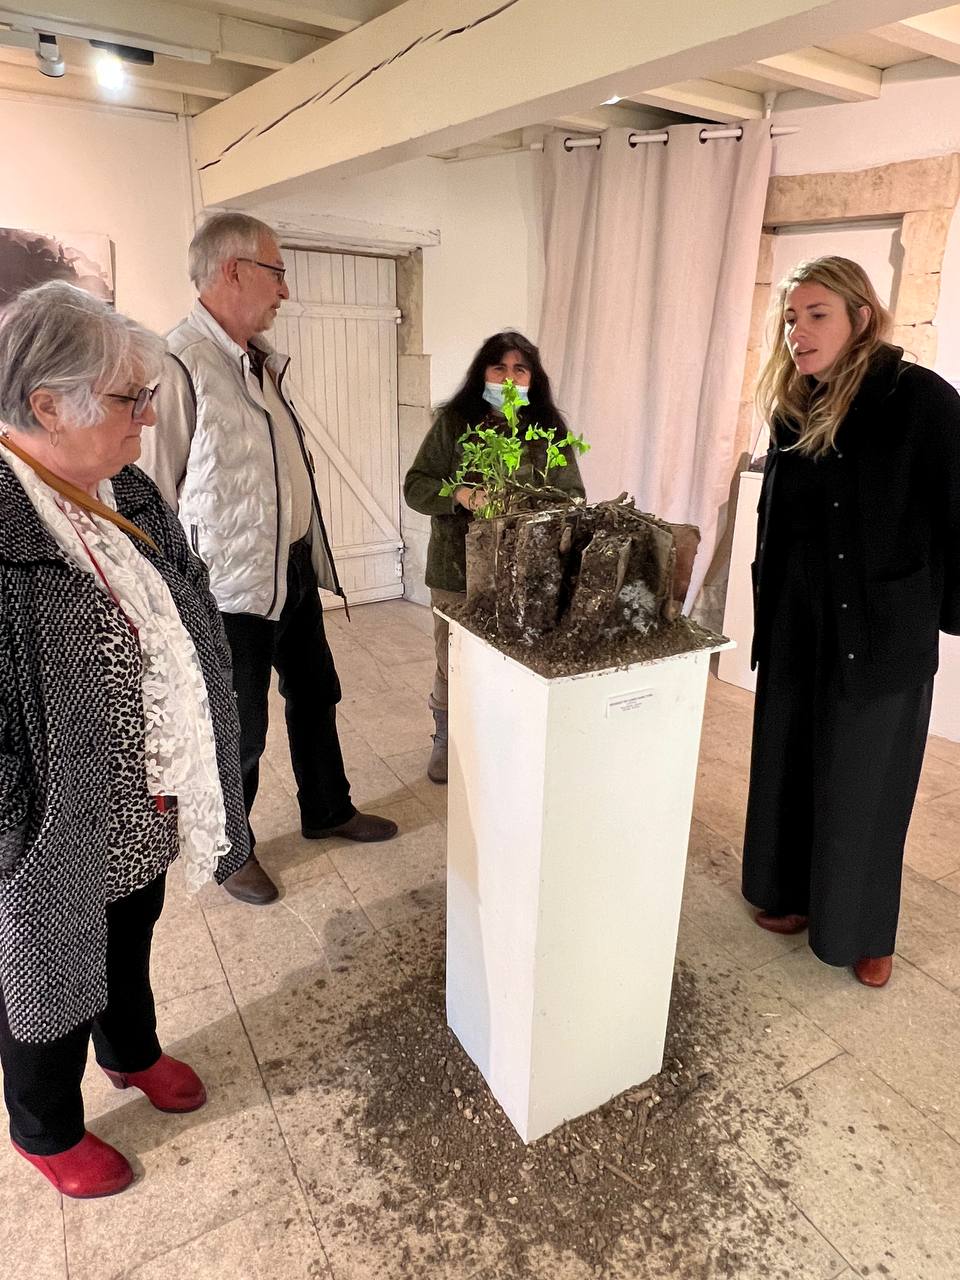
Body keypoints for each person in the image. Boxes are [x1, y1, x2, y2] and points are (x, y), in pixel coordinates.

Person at [0, 281, 250, 1198]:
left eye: (147, 397)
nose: (146, 418)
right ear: (47, 405)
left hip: (139, 796)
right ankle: (45, 1127)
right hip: (50, 821)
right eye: (127, 399)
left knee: (130, 930)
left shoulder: (125, 488)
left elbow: (182, 592)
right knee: (45, 969)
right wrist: (16, 826)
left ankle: (130, 1049)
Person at [141, 213, 397, 908]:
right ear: (233, 271)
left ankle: (327, 809)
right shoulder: (179, 363)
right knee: (240, 729)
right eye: (277, 272)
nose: (285, 290)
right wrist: (171, 602)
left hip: (291, 569)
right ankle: (231, 851)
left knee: (316, 694)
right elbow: (149, 495)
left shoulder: (258, 361)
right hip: (227, 590)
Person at [742, 255, 960, 988]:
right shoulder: (793, 403)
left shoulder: (921, 400)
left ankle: (863, 931)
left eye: (816, 315)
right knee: (790, 759)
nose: (797, 332)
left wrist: (946, 614)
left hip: (880, 627)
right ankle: (786, 891)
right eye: (791, 318)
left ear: (861, 317)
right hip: (797, 621)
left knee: (864, 784)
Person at [403, 331, 585, 783]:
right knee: (454, 659)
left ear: (533, 378)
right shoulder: (454, 423)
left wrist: (537, 508)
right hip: (457, 570)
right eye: (498, 367)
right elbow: (417, 485)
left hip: (525, 575)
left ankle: (502, 741)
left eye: (519, 369)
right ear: (482, 372)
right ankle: (446, 739)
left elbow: (574, 495)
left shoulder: (548, 430)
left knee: (513, 661)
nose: (508, 379)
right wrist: (461, 495)